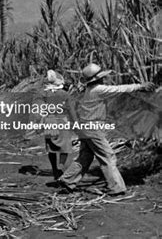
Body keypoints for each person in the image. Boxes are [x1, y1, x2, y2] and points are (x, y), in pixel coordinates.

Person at [58, 63, 155, 196]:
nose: (104, 79)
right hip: (93, 129)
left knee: (85, 156)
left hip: (85, 127)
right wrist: (139, 86)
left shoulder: (88, 90)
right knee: (108, 156)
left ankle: (67, 180)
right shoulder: (98, 89)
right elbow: (118, 89)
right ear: (98, 79)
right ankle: (116, 188)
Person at [42, 70, 73, 180]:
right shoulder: (64, 94)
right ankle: (60, 167)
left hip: (49, 121)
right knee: (65, 147)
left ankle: (54, 169)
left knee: (51, 148)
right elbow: (70, 110)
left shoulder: (45, 94)